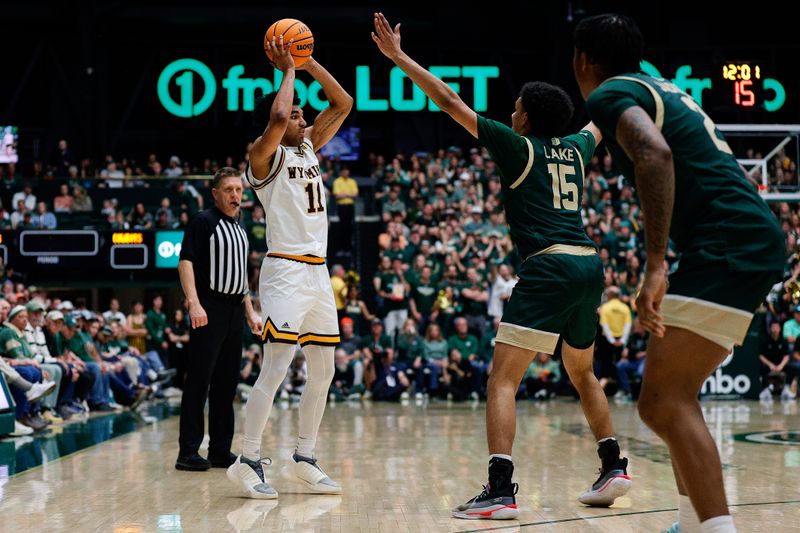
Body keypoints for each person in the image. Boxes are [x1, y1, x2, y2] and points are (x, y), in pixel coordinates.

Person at [372, 12, 630, 519]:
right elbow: (602, 122)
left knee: (502, 381)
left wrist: (399, 57)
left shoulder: (519, 148)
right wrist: (625, 74)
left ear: (528, 118)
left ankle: (500, 488)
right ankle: (613, 463)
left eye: (515, 108)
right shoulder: (576, 148)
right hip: (587, 264)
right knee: (582, 372)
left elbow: (449, 102)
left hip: (550, 266)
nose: (510, 115)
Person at [573, 14, 784, 533]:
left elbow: (654, 153)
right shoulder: (659, 85)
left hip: (727, 243)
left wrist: (655, 263)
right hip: (742, 239)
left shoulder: (609, 94)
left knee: (663, 401)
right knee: (673, 396)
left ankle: (714, 530)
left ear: (583, 61)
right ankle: (694, 525)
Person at [227, 36, 352, 499]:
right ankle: (247, 460)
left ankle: (305, 457)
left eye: (304, 114)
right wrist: (286, 72)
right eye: (299, 113)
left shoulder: (310, 148)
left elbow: (344, 101)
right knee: (276, 366)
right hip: (284, 270)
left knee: (325, 368)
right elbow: (279, 117)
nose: (304, 117)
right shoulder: (265, 155)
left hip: (318, 273)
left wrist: (308, 59)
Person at [175, 167, 262, 472]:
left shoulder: (240, 227)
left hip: (235, 311)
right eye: (229, 190)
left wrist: (251, 313)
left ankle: (220, 450)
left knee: (227, 383)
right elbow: (185, 262)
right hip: (209, 307)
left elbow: (240, 278)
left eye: (239, 190)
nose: (235, 195)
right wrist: (194, 303)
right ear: (215, 194)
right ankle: (187, 452)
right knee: (199, 381)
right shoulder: (203, 221)